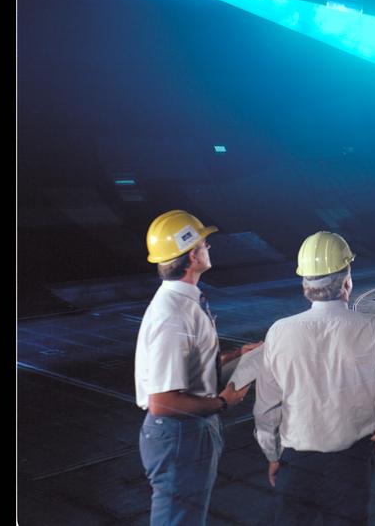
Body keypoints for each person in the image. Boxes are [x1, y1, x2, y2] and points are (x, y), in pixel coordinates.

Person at [253, 231, 375, 525]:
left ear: (305, 285)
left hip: (297, 462)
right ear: (347, 282)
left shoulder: (279, 332)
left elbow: (266, 409)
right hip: (351, 461)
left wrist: (272, 454)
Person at [135, 209, 263, 526]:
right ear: (192, 255)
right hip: (180, 434)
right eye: (205, 243)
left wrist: (237, 355)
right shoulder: (173, 314)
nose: (209, 248)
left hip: (190, 430)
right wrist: (223, 402)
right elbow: (162, 402)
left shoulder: (186, 303)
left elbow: (189, 367)